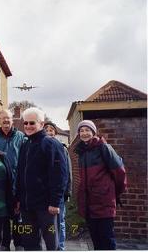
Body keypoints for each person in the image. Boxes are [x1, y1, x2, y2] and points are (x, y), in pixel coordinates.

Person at [15, 107, 67, 251]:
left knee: (52, 244)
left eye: (32, 123)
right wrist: (19, 199)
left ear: (41, 124)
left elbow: (60, 176)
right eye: (25, 123)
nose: (28, 126)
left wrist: (55, 203)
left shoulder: (51, 144)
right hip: (27, 207)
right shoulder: (25, 145)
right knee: (30, 244)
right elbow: (20, 174)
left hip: (46, 207)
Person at [75, 120, 126, 250]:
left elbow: (119, 172)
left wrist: (113, 192)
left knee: (107, 240)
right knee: (96, 240)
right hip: (89, 203)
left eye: (87, 130)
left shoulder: (104, 148)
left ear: (93, 132)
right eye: (81, 130)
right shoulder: (82, 151)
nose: (84, 133)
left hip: (104, 202)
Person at [0, 109, 25, 251]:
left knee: (18, 216)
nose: (6, 121)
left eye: (8, 118)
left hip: (18, 183)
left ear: (12, 120)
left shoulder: (21, 137)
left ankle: (19, 243)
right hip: (0, 185)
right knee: (4, 217)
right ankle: (5, 244)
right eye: (3, 119)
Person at [44, 121, 72, 251]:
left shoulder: (62, 148)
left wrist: (67, 191)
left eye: (51, 130)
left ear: (55, 133)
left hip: (59, 193)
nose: (48, 132)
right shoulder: (41, 148)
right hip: (45, 194)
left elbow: (67, 172)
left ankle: (60, 247)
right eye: (46, 130)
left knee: (60, 221)